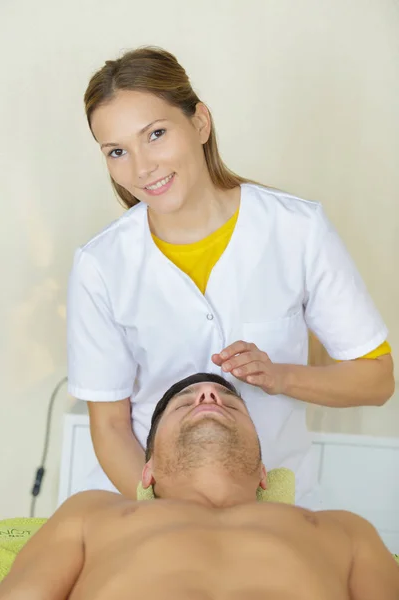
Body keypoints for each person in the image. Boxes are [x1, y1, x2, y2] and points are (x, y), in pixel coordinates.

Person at [67, 46, 395, 507]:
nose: (142, 168)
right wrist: (167, 515)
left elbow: (377, 380)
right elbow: (111, 425)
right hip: (155, 509)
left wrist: (280, 377)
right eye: (117, 151)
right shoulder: (100, 265)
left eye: (156, 134)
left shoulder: (297, 229)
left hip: (280, 509)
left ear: (200, 122)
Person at [0, 374, 398, 600]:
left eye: (230, 400)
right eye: (183, 402)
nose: (208, 394)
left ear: (264, 472)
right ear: (148, 470)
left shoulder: (346, 530)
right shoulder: (89, 513)